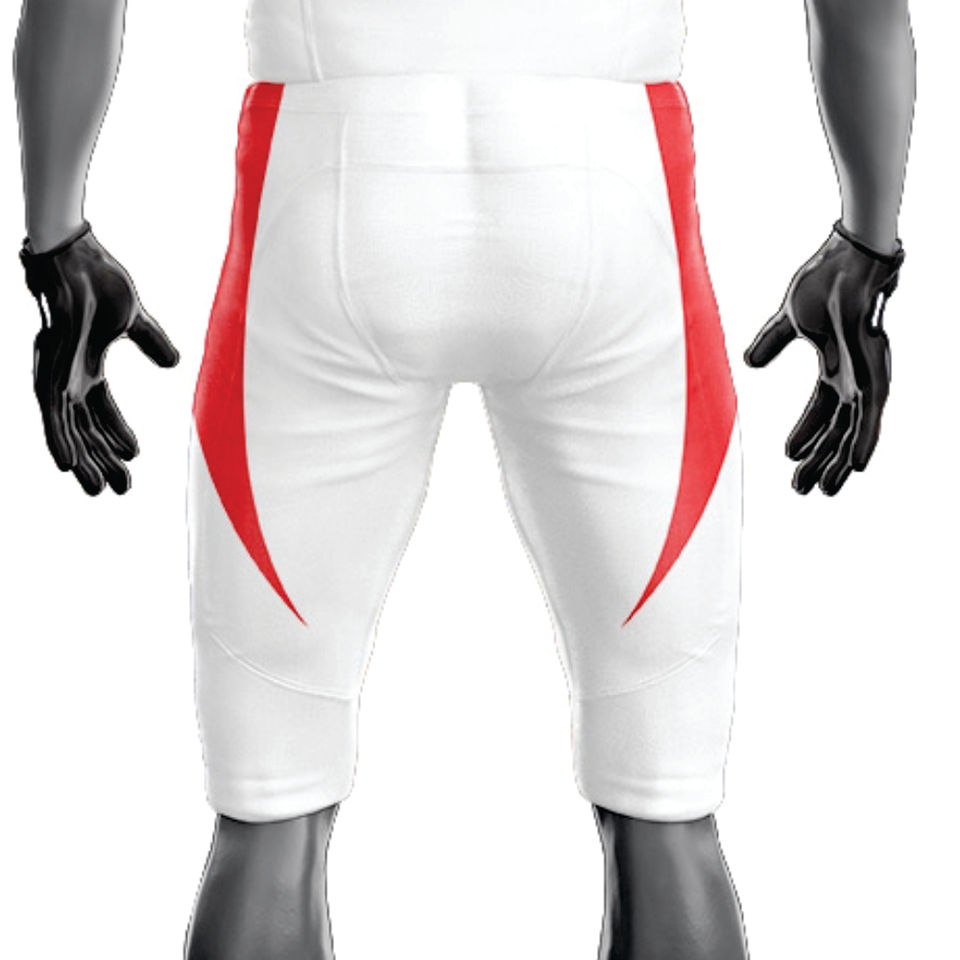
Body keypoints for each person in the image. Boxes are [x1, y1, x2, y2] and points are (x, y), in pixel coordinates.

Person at [14, 1, 914, 958]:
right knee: (666, 806)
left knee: (269, 806)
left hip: (328, 171)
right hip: (608, 176)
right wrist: (868, 244)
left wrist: (56, 240)